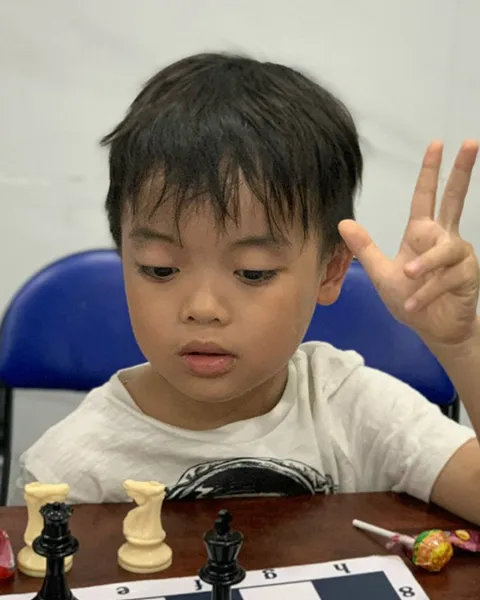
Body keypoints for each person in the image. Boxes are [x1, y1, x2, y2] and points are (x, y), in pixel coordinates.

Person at [15, 54, 480, 523]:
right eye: (159, 269)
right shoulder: (73, 467)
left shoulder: (352, 408)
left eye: (253, 273)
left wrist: (461, 345)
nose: (202, 309)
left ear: (330, 271)